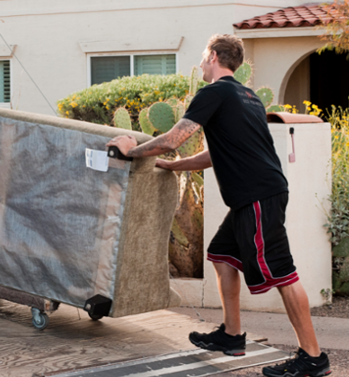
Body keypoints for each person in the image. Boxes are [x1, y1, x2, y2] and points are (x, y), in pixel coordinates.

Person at [106, 34, 331, 377]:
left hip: (257, 196)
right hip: (255, 195)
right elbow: (219, 152)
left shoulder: (214, 92)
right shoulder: (248, 96)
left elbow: (173, 138)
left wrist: (128, 151)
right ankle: (231, 335)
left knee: (282, 272)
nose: (200, 62)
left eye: (202, 56)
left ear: (213, 56)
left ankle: (312, 358)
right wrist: (175, 166)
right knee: (222, 254)